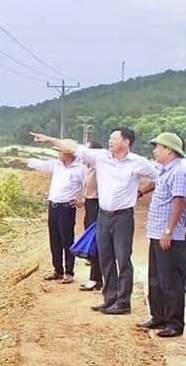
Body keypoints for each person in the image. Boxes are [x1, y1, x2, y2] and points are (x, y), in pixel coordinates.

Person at [30, 127, 158, 315]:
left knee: (122, 259)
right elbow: (72, 148)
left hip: (123, 216)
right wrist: (50, 139)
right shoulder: (101, 157)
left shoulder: (139, 162)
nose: (110, 141)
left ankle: (123, 302)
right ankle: (110, 298)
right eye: (110, 137)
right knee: (105, 258)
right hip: (103, 215)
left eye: (114, 138)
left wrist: (141, 192)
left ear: (126, 142)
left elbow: (159, 177)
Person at [135, 132, 186, 337]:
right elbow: (156, 184)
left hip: (169, 235)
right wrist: (142, 191)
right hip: (156, 232)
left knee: (170, 281)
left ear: (169, 150)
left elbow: (179, 202)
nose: (154, 151)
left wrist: (169, 230)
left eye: (158, 147)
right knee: (156, 277)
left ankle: (174, 323)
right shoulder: (164, 170)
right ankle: (158, 316)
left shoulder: (178, 172)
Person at [4, 149, 86, 283]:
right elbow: (39, 163)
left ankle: (69, 272)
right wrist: (19, 160)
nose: (58, 154)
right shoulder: (56, 165)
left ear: (69, 153)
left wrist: (82, 201)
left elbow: (89, 185)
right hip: (53, 207)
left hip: (66, 208)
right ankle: (58, 270)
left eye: (60, 151)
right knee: (54, 239)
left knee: (67, 240)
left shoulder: (80, 169)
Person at [80, 141, 104, 291]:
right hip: (90, 205)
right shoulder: (88, 169)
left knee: (96, 242)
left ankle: (96, 278)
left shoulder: (100, 169)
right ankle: (95, 277)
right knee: (92, 240)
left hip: (97, 205)